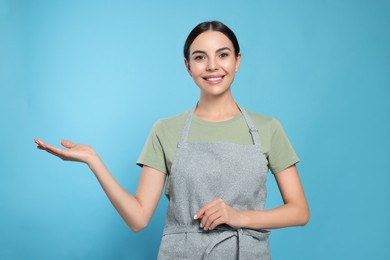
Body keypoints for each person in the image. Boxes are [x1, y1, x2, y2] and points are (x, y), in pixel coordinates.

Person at [34, 21, 310, 259]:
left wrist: (240, 217)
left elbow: (299, 211)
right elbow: (138, 218)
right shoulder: (165, 130)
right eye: (200, 57)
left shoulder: (268, 128)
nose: (212, 66)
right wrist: (93, 160)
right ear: (187, 66)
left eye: (222, 55)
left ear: (237, 61)